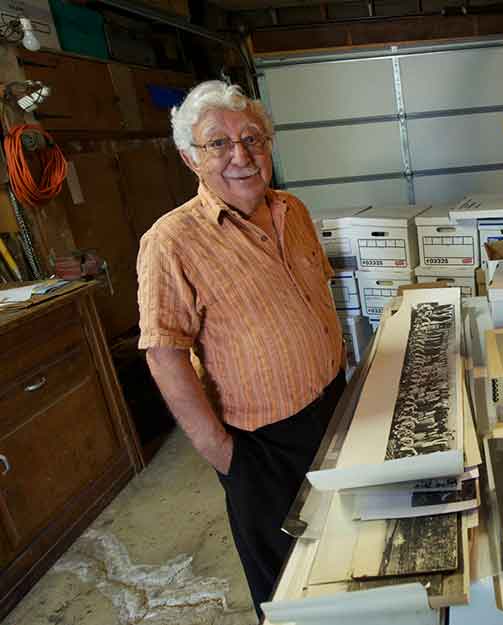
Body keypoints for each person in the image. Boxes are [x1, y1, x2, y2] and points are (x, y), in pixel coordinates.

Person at [136, 80, 345, 619]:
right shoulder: (171, 241)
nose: (241, 156)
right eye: (218, 144)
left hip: (333, 407)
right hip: (261, 445)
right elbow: (164, 354)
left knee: (346, 550)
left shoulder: (292, 210)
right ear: (190, 158)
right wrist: (225, 456)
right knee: (290, 584)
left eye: (253, 139)